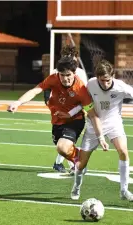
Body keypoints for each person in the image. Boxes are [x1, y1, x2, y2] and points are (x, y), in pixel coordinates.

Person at [58, 60, 133, 202]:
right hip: (94, 125)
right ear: (97, 78)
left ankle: (124, 190)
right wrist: (70, 113)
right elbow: (83, 102)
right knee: (81, 163)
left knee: (123, 151)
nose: (105, 84)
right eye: (102, 81)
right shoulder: (91, 84)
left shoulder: (120, 87)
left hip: (114, 124)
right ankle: (76, 186)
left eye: (108, 80)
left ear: (112, 76)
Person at [7, 56, 108, 170]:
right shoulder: (53, 79)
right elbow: (35, 90)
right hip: (57, 120)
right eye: (62, 75)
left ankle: (79, 162)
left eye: (68, 75)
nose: (65, 79)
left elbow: (93, 115)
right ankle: (79, 159)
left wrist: (101, 137)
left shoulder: (81, 90)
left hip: (74, 121)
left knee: (62, 148)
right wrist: (18, 102)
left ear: (74, 73)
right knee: (64, 150)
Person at [44, 44, 88, 173]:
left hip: (75, 113)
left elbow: (85, 94)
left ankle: (74, 164)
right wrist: (48, 102)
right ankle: (61, 163)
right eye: (66, 56)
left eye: (71, 57)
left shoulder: (80, 73)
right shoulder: (55, 71)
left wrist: (76, 110)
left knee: (67, 141)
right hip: (59, 112)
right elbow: (47, 87)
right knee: (59, 141)